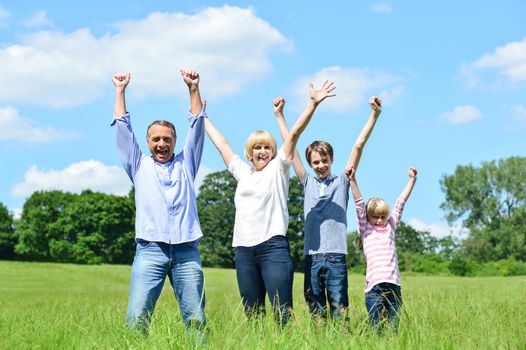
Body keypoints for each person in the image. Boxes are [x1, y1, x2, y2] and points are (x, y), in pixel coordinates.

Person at [204, 81, 336, 324]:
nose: (262, 151)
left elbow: (295, 133)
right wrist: (200, 116)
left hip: (273, 248)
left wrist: (312, 103)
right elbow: (221, 144)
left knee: (282, 314)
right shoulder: (242, 173)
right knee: (252, 315)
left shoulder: (278, 168)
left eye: (267, 147)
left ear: (274, 151)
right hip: (244, 251)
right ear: (249, 152)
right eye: (257, 147)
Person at [111, 69, 207, 337]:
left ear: (175, 142)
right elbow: (122, 128)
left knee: (196, 318)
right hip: (150, 250)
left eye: (167, 139)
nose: (162, 143)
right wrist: (120, 91)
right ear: (148, 142)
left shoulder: (187, 163)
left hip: (186, 251)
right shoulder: (138, 164)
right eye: (156, 139)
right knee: (137, 316)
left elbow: (197, 125)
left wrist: (193, 89)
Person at [273, 96, 382, 319]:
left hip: (336, 256)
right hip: (311, 257)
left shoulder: (342, 182)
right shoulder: (307, 182)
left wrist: (374, 114)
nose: (320, 165)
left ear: (331, 159)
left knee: (339, 309)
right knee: (315, 310)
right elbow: (290, 147)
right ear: (311, 164)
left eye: (324, 160)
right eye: (315, 162)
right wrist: (280, 116)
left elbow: (358, 145)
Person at [348, 166, 418, 331]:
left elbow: (401, 203)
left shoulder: (391, 226)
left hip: (393, 285)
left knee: (393, 329)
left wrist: (412, 180)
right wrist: (352, 180)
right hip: (374, 288)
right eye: (375, 216)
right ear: (368, 216)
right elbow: (359, 204)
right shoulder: (365, 229)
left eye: (383, 216)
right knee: (376, 329)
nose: (380, 220)